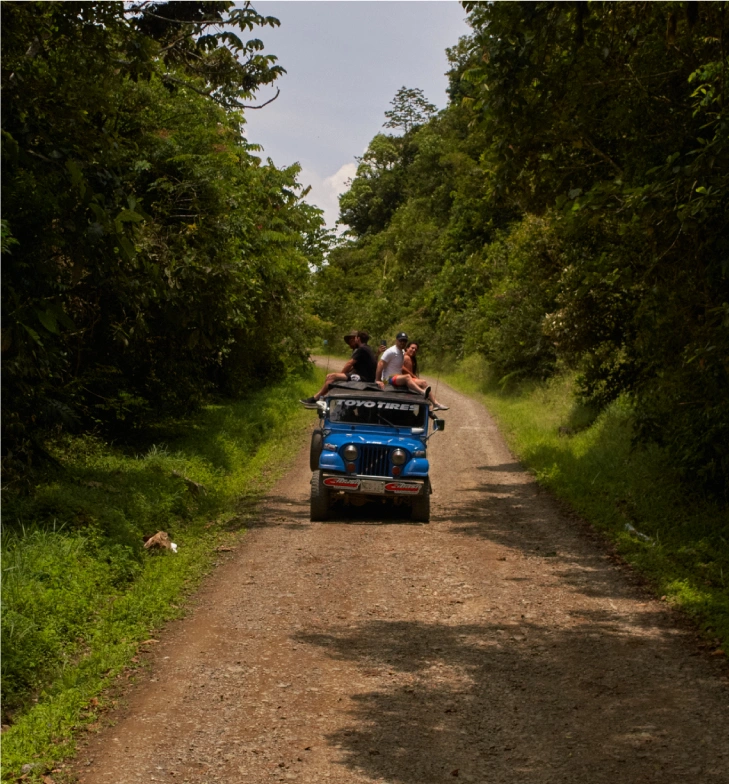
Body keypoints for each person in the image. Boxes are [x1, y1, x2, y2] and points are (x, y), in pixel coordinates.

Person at [300, 331, 377, 408]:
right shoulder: (366, 348)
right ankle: (321, 398)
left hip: (364, 378)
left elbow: (349, 364)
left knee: (333, 377)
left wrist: (339, 375)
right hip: (363, 376)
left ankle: (315, 399)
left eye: (355, 338)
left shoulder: (362, 349)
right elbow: (354, 366)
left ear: (358, 339)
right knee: (330, 376)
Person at [376, 333, 448, 410]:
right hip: (388, 379)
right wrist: (378, 380)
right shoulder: (391, 351)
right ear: (396, 340)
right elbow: (380, 364)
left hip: (397, 377)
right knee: (407, 377)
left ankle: (435, 404)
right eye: (401, 340)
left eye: (404, 341)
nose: (402, 342)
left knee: (423, 382)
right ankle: (422, 392)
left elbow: (407, 356)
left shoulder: (402, 352)